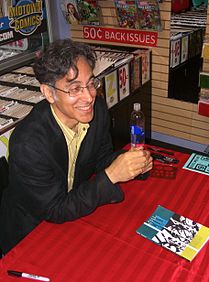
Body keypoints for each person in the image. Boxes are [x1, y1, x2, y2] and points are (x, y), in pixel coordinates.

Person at [0, 39, 152, 254]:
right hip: (31, 231)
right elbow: (54, 209)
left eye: (91, 83)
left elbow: (101, 158)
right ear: (49, 93)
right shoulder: (28, 144)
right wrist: (110, 176)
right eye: (74, 88)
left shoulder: (98, 110)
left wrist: (131, 163)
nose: (89, 96)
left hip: (73, 209)